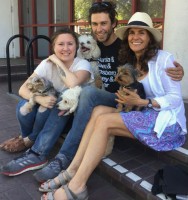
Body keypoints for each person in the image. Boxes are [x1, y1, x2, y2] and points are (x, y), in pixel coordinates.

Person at [0, 1, 184, 181]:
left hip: (120, 98)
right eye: (95, 24)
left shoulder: (126, 45)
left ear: (113, 24)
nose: (99, 29)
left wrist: (177, 71)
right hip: (99, 98)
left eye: (104, 23)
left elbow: (151, 62)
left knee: (84, 94)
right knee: (67, 96)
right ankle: (37, 150)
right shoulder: (89, 46)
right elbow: (71, 57)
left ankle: (62, 156)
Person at [40, 11, 187, 200]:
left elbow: (175, 97)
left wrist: (144, 101)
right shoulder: (132, 59)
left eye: (141, 33)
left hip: (167, 123)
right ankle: (72, 169)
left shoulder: (164, 59)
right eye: (132, 33)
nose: (135, 37)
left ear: (150, 37)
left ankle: (77, 186)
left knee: (105, 121)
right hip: (146, 112)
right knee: (99, 111)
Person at [0, 28, 93, 176]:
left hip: (67, 117)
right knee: (24, 104)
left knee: (62, 96)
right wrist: (38, 99)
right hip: (48, 114)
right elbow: (22, 89)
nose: (65, 48)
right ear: (54, 47)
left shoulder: (83, 65)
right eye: (60, 44)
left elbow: (73, 84)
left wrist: (57, 61)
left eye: (70, 44)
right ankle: (31, 139)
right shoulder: (45, 64)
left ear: (76, 46)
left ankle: (37, 152)